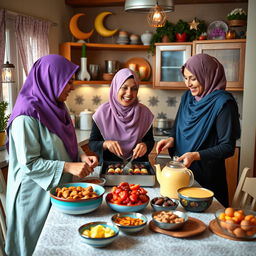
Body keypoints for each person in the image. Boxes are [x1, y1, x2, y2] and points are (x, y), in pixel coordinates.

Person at [5, 54, 98, 256]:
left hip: (56, 190)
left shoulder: (56, 106)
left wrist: (81, 156)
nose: (72, 87)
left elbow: (66, 141)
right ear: (51, 79)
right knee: (34, 247)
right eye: (68, 81)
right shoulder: (26, 115)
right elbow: (29, 163)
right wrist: (67, 166)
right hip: (32, 197)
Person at [156, 53, 240, 207]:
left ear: (207, 75)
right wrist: (171, 139)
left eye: (193, 78)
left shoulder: (223, 103)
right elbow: (177, 127)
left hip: (207, 179)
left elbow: (228, 147)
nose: (188, 83)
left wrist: (195, 155)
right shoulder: (187, 97)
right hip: (181, 174)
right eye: (186, 78)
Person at [89, 68, 155, 164]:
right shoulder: (102, 113)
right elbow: (92, 143)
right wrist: (105, 144)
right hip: (109, 168)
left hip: (138, 168)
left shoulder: (145, 113)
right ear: (116, 87)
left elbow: (150, 141)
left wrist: (145, 145)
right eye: (124, 87)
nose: (129, 93)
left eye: (134, 88)